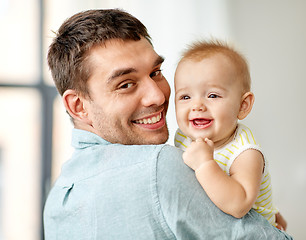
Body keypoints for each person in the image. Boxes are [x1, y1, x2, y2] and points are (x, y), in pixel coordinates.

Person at [43, 9, 293, 239]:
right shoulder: (161, 166)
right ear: (78, 106)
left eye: (155, 73)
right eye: (126, 84)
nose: (159, 96)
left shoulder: (58, 200)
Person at [174, 40, 287, 230]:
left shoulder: (245, 152)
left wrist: (204, 164)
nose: (197, 106)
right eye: (186, 97)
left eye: (213, 96)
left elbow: (239, 205)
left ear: (243, 106)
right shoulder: (182, 137)